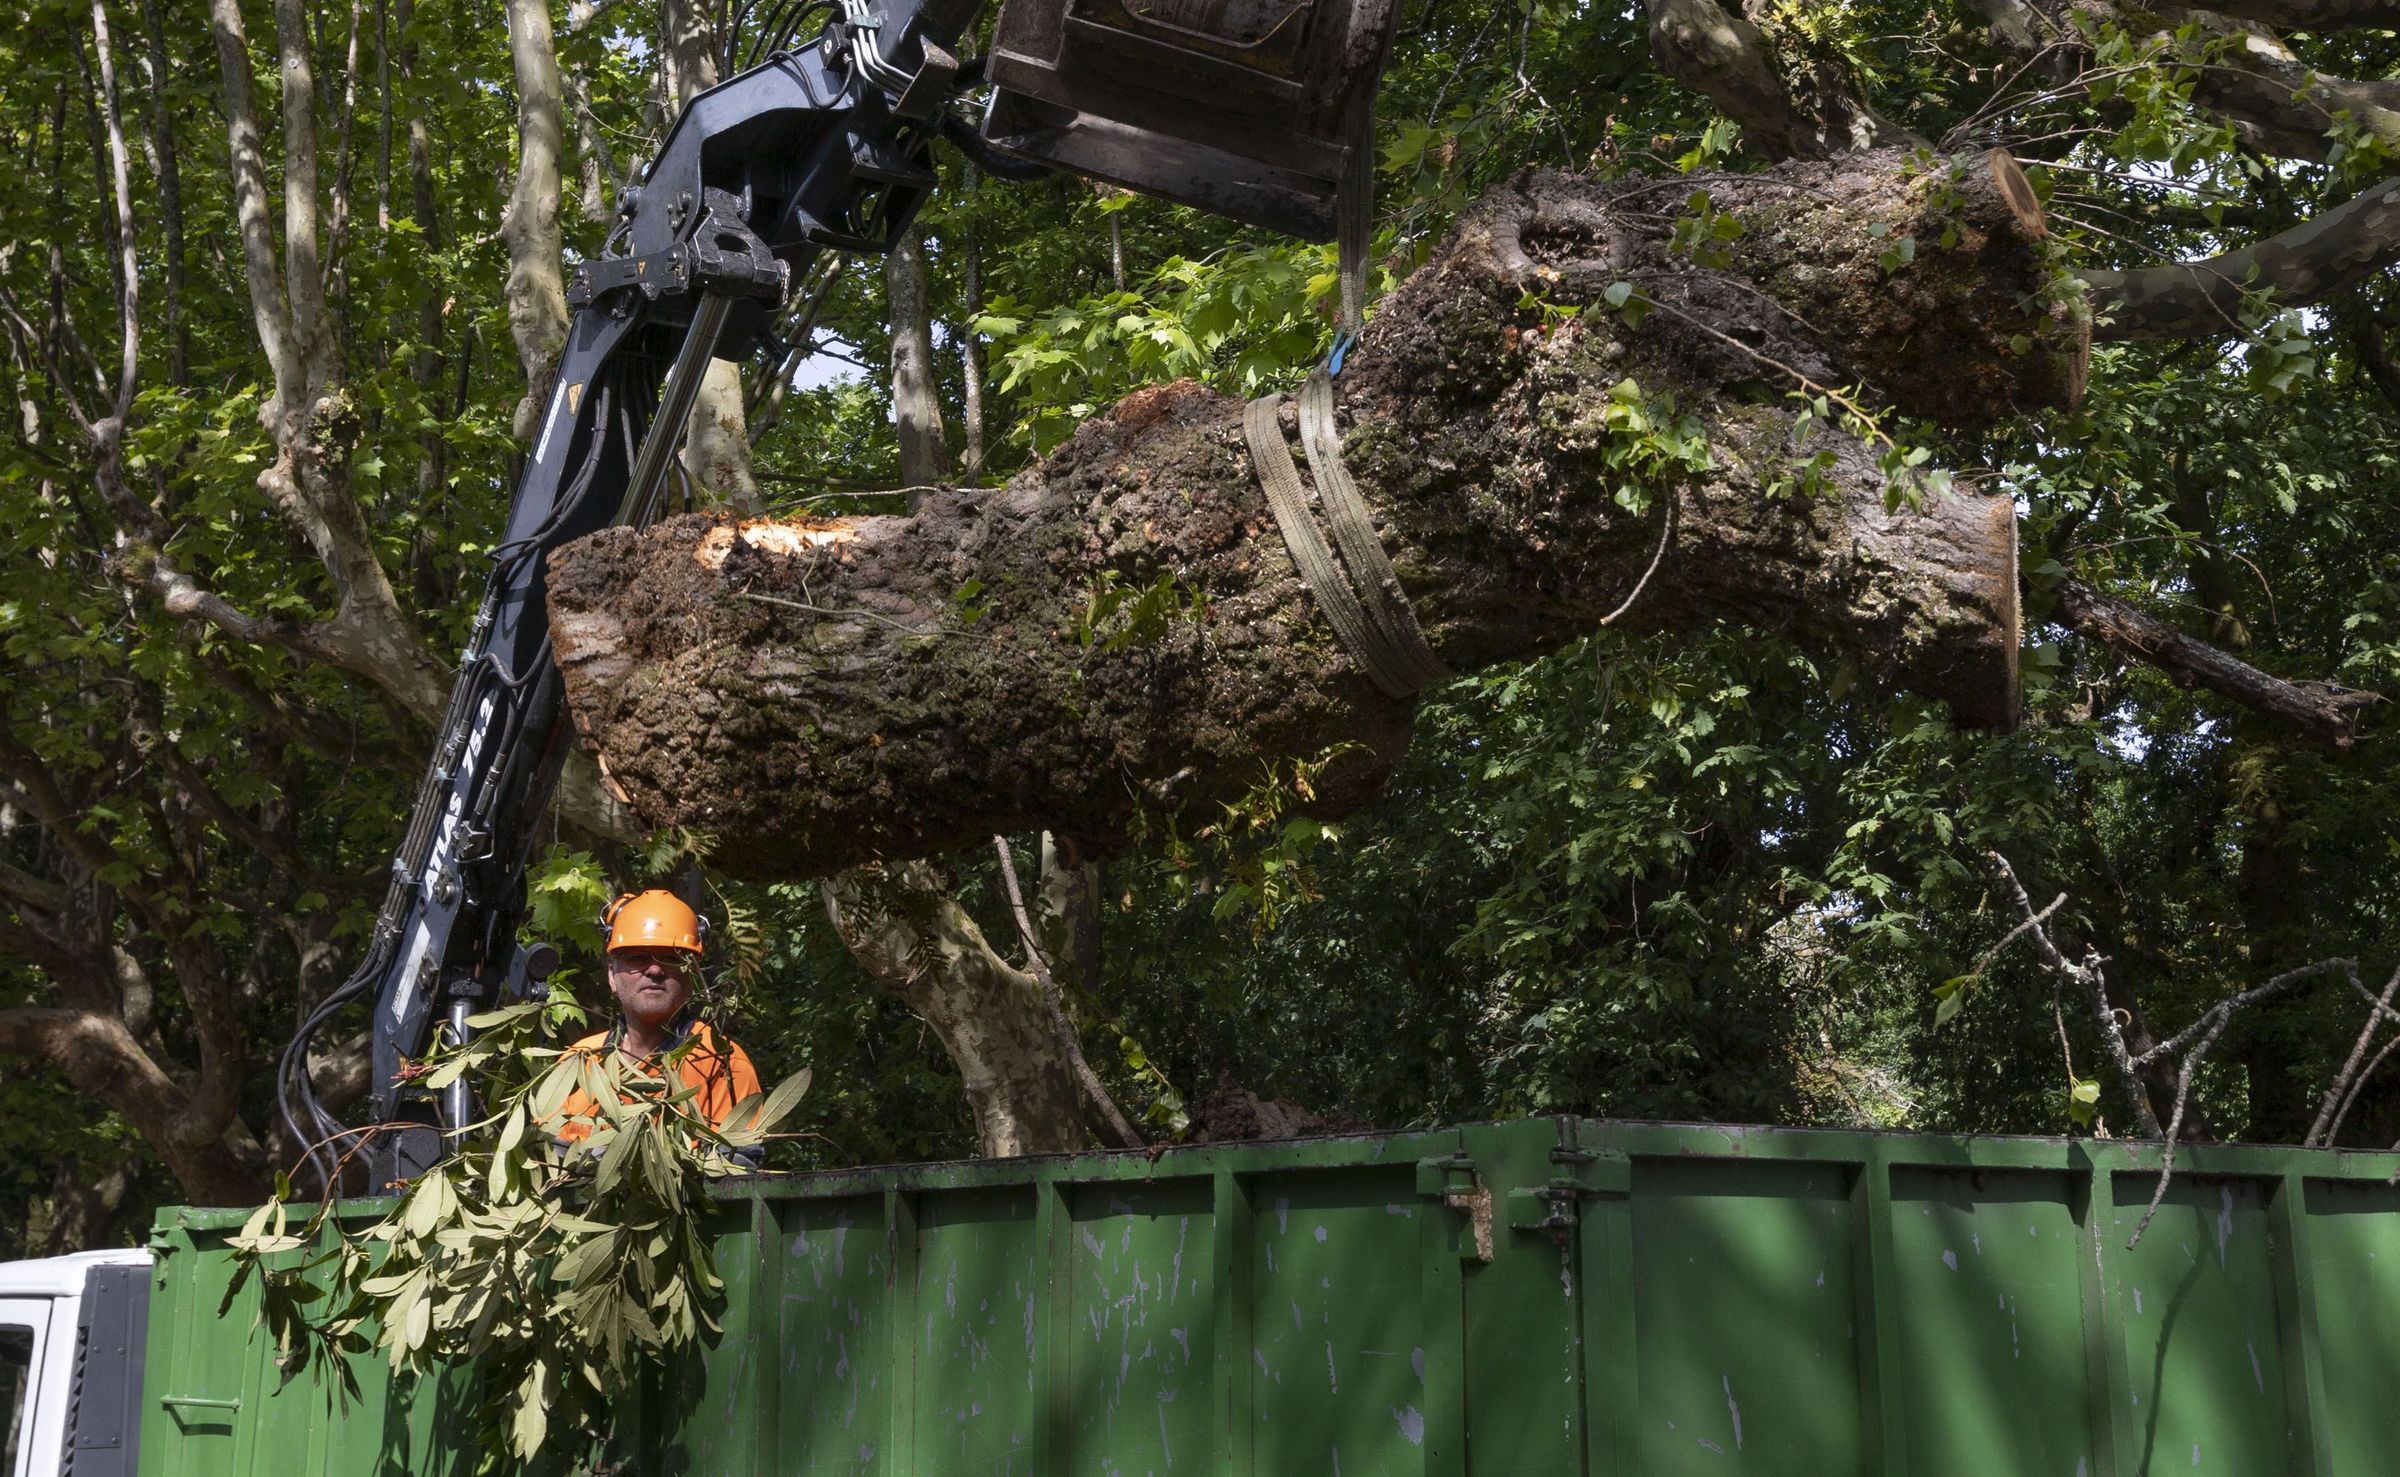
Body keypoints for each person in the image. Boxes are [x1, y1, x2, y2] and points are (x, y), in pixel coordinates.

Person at [554, 889, 761, 1146]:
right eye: (638, 957)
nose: (654, 969)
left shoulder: (721, 1063)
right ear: (611, 975)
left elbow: (737, 1171)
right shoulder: (578, 1061)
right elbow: (551, 1164)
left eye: (669, 958)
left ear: (691, 975)